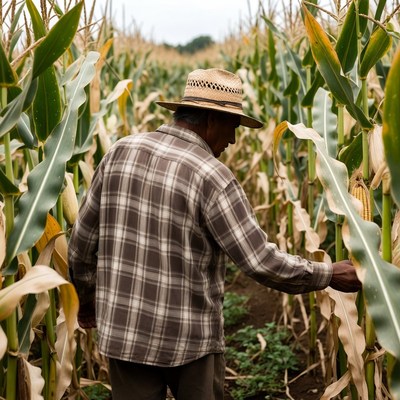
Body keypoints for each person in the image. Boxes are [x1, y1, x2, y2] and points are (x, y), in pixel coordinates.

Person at [68, 68, 361, 400]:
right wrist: (328, 273)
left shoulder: (119, 153)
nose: (233, 140)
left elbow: (82, 242)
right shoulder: (212, 176)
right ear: (210, 120)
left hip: (124, 333)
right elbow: (260, 261)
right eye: (232, 127)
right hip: (189, 343)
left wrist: (88, 300)